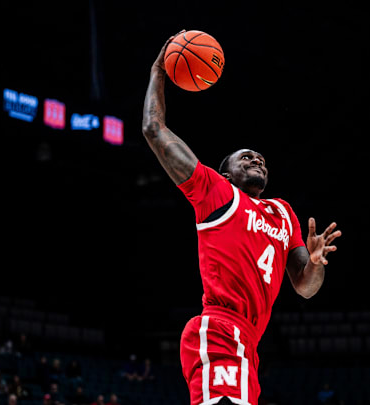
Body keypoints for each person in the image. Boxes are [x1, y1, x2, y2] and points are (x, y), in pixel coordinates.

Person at [142, 31, 342, 405]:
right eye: (245, 157)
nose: (256, 160)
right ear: (227, 173)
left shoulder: (283, 213)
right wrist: (158, 70)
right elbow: (154, 130)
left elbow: (305, 286)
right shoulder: (216, 193)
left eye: (261, 159)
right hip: (218, 327)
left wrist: (315, 263)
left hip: (248, 343)